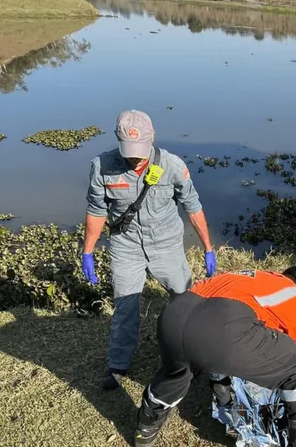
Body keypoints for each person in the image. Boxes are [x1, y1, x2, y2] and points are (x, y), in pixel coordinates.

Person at [81, 109, 217, 390]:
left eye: (140, 150)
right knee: (125, 307)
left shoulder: (172, 165)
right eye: (129, 150)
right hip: (125, 246)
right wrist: (88, 252)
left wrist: (208, 248)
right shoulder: (102, 166)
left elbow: (192, 206)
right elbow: (96, 211)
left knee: (184, 302)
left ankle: (192, 357)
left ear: (152, 139)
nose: (135, 158)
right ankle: (118, 364)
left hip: (166, 244)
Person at [133, 266, 296, 447]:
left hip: (173, 315)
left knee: (175, 376)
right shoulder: (295, 294)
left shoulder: (251, 276)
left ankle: (145, 432)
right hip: (223, 329)